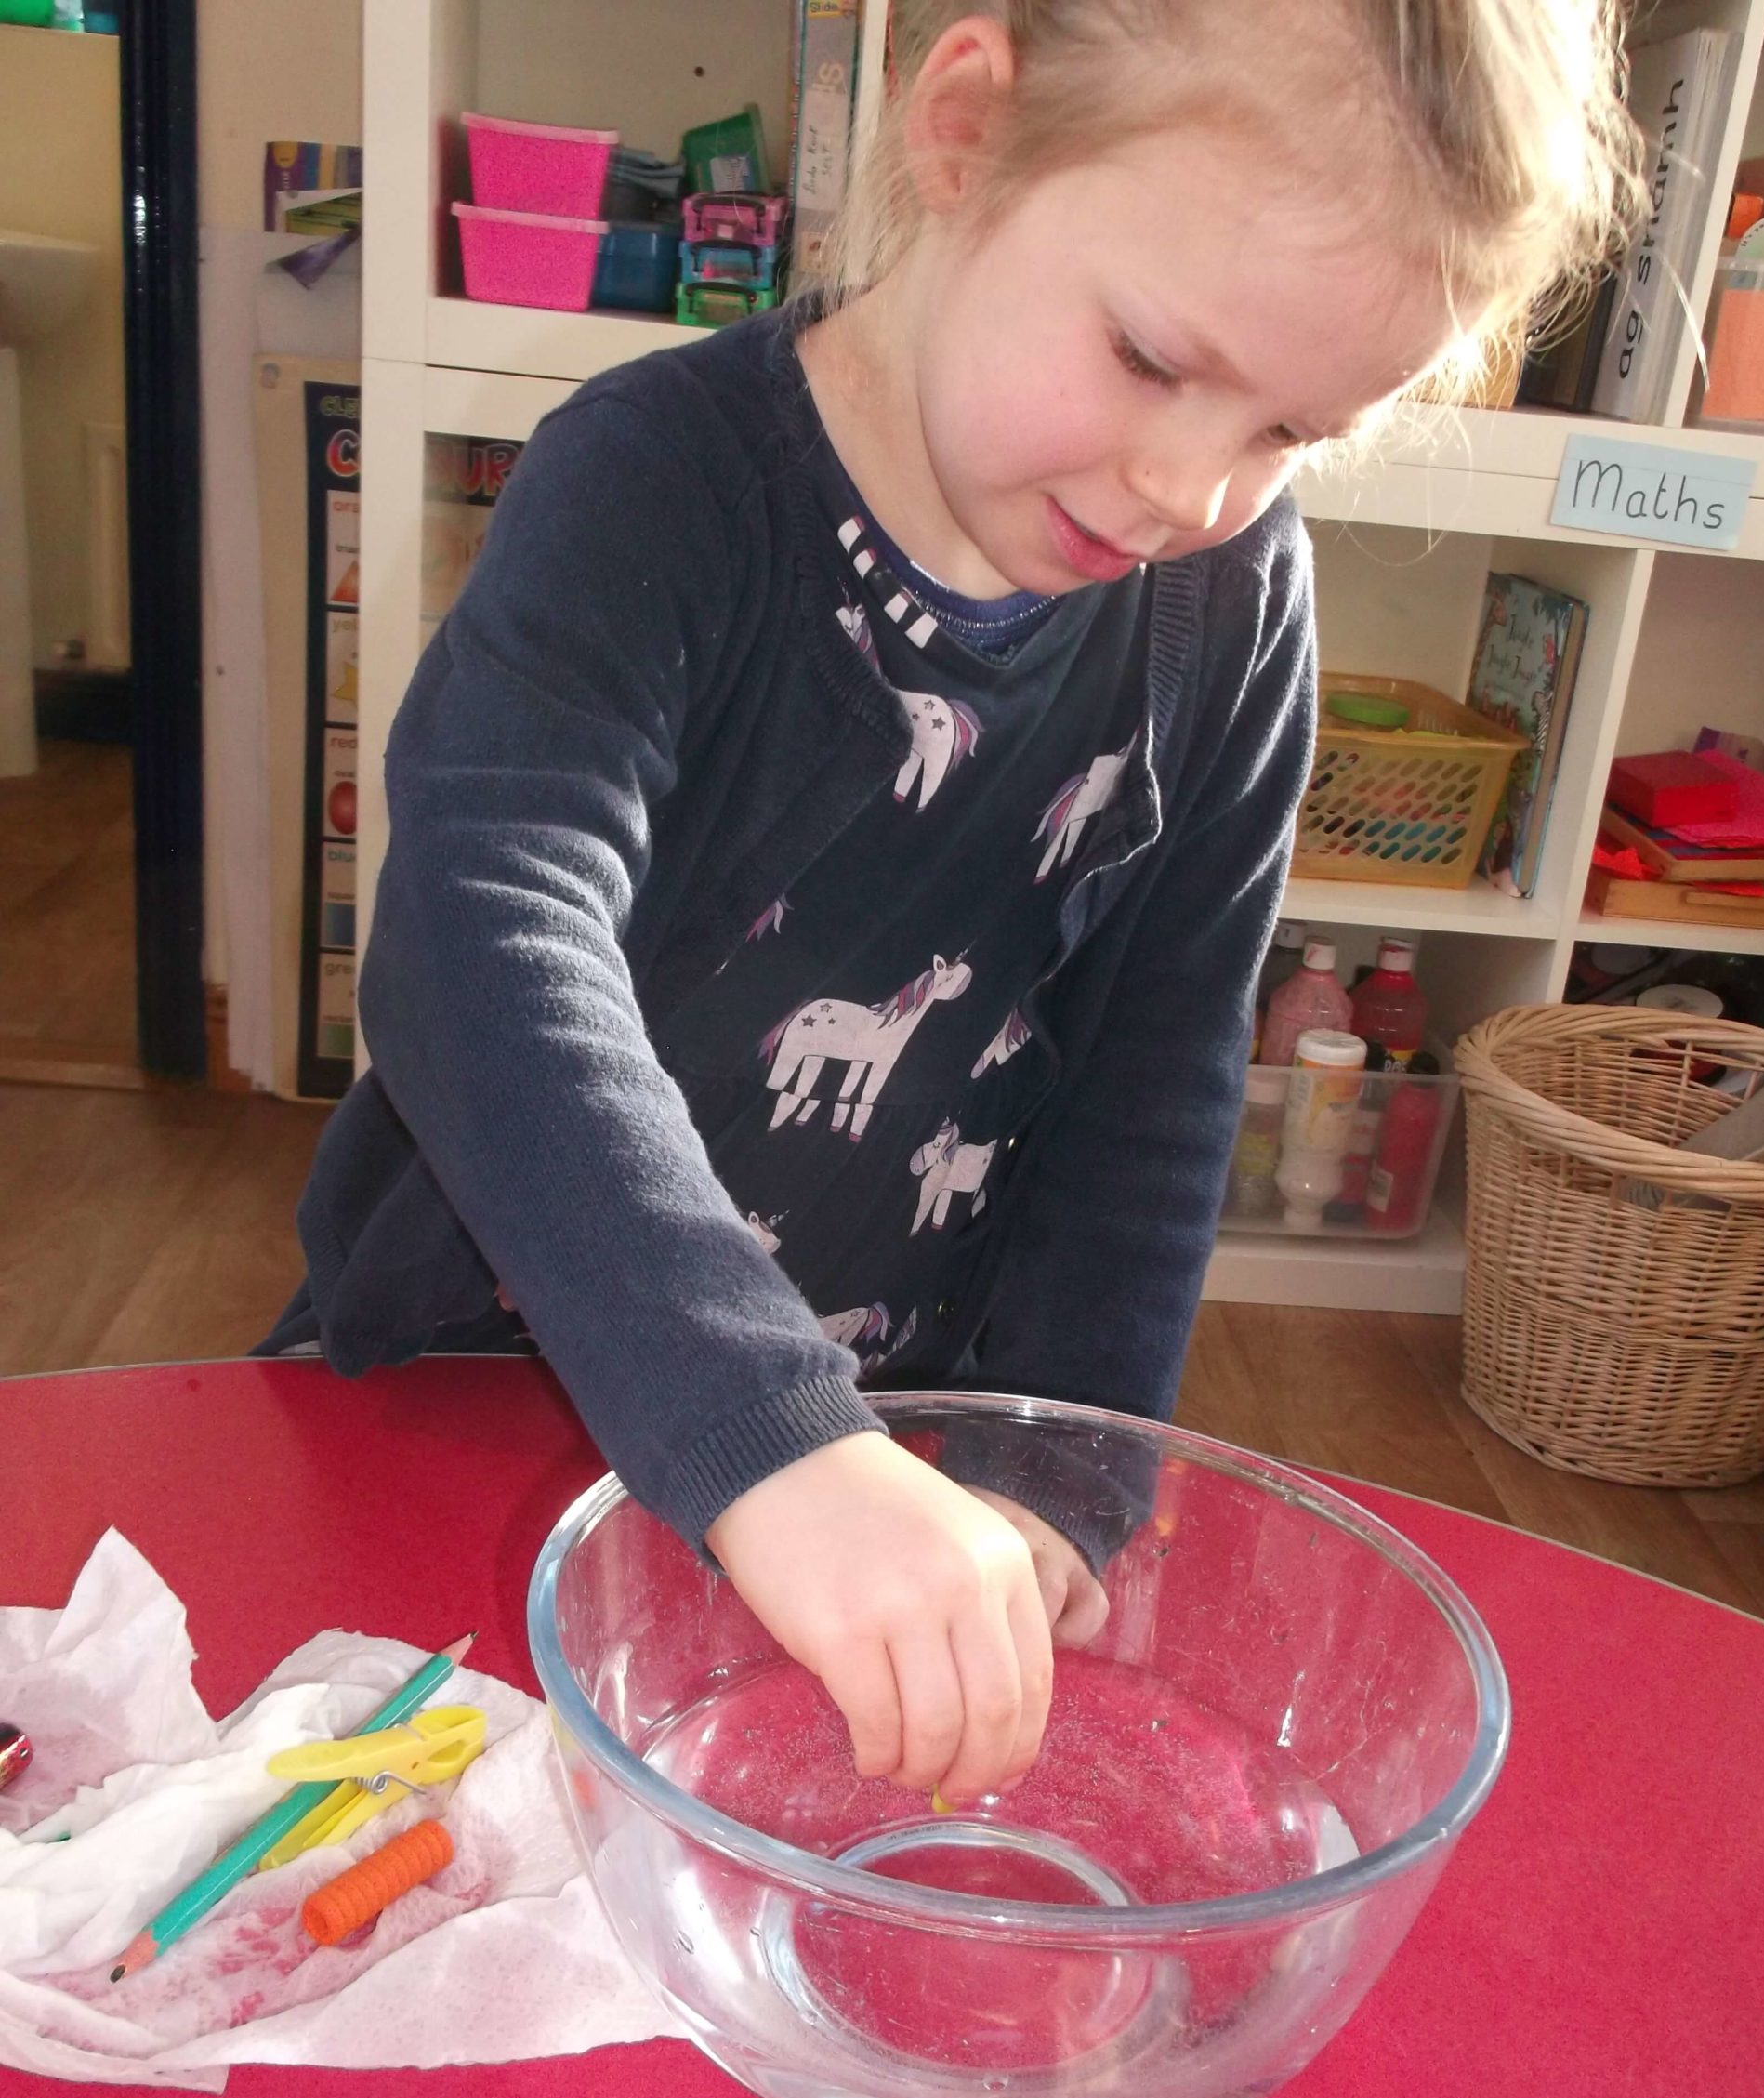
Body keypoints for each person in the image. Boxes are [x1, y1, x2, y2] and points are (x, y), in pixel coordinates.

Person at [268, 3, 1637, 1806]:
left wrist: (1060, 1469)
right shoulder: (655, 483)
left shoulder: (1230, 600)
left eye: (1294, 429)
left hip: (894, 1463)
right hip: (485, 1393)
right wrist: (764, 1438)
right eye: (1151, 357)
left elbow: (1159, 1068)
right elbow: (480, 938)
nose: (1191, 489)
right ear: (970, 134)